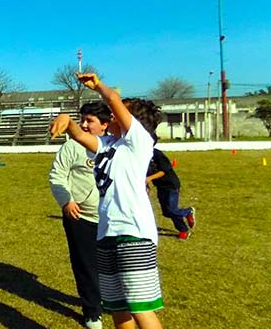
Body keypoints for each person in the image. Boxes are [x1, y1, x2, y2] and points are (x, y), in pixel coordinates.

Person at [49, 73, 164, 329]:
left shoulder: (139, 142)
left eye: (121, 113)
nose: (113, 116)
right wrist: (67, 121)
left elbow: (112, 99)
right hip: (107, 233)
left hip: (134, 234)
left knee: (140, 309)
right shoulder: (108, 144)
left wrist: (98, 85)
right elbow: (79, 136)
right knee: (118, 309)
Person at [49, 101, 112, 329]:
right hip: (80, 217)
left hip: (111, 218)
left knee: (111, 265)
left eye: (90, 121)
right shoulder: (71, 147)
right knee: (86, 266)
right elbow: (57, 176)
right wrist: (67, 200)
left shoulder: (115, 146)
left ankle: (111, 300)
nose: (84, 125)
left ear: (105, 125)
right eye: (82, 120)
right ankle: (92, 311)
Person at [146, 147, 195, 240]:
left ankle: (184, 228)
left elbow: (164, 171)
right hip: (160, 186)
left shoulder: (157, 154)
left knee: (172, 210)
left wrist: (150, 178)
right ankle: (186, 215)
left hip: (171, 185)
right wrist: (147, 184)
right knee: (167, 212)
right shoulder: (141, 155)